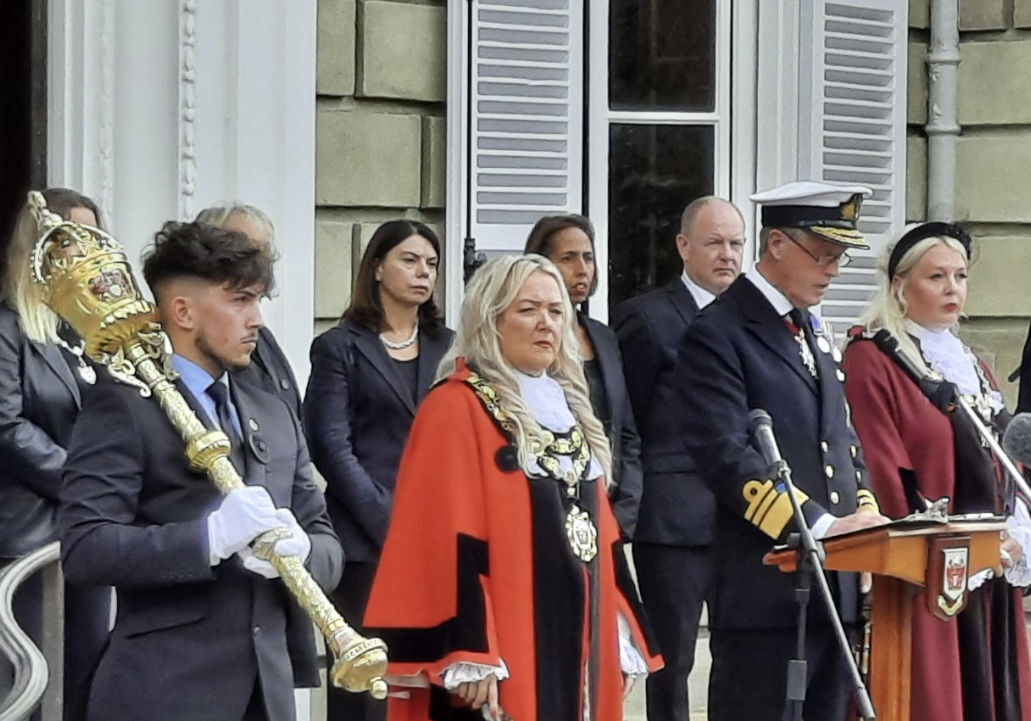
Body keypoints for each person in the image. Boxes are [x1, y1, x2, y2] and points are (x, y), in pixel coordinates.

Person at [60, 220, 343, 721]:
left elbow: (326, 539)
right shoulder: (123, 407)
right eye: (239, 300)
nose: (256, 319)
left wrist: (304, 548)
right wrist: (207, 539)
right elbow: (86, 548)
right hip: (163, 692)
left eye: (258, 300)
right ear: (183, 311)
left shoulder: (274, 412)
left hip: (268, 693)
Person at [362, 254, 661, 721]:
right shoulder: (456, 407)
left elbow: (599, 536)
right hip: (507, 645)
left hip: (580, 634)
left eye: (556, 311)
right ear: (491, 318)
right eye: (528, 310)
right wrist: (471, 646)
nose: (546, 324)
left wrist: (620, 630)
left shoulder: (569, 408)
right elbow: (445, 540)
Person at [674, 181, 888, 721]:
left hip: (834, 588)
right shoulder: (719, 332)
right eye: (823, 254)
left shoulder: (811, 329)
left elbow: (842, 438)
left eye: (840, 256)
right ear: (775, 244)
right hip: (766, 588)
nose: (834, 268)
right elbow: (727, 454)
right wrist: (817, 525)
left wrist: (863, 512)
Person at [841, 222, 1031, 721]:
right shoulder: (874, 358)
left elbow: (1004, 461)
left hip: (990, 568)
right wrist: (958, 545)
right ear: (901, 287)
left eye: (961, 276)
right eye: (937, 277)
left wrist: (1012, 536)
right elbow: (882, 469)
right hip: (926, 573)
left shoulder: (972, 366)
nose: (953, 289)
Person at [302, 219, 452, 721]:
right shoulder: (339, 346)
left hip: (441, 537)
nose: (423, 273)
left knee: (435, 675)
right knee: (367, 686)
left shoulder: (452, 347)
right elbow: (329, 444)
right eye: (409, 261)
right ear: (378, 268)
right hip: (366, 542)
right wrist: (387, 522)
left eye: (430, 264)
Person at [610, 196, 744, 721]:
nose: (727, 255)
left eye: (736, 244)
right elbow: (629, 421)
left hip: (744, 514)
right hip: (672, 519)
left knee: (741, 647)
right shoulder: (646, 317)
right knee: (674, 658)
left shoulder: (753, 316)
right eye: (714, 243)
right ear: (683, 246)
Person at [0, 188, 110, 721]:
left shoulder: (88, 333)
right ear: (41, 247)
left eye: (95, 239)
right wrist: (83, 482)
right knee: (30, 688)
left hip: (87, 533)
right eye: (74, 241)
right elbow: (6, 426)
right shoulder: (7, 329)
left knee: (85, 675)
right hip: (28, 537)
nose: (87, 253)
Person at [523, 213, 642, 538]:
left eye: (588, 257)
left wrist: (623, 513)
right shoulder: (530, 338)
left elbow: (627, 434)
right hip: (550, 511)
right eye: (568, 258)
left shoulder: (604, 337)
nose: (582, 269)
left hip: (609, 512)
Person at [194, 203, 301, 418]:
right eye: (245, 249)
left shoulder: (262, 336)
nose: (259, 262)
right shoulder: (198, 341)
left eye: (264, 251)